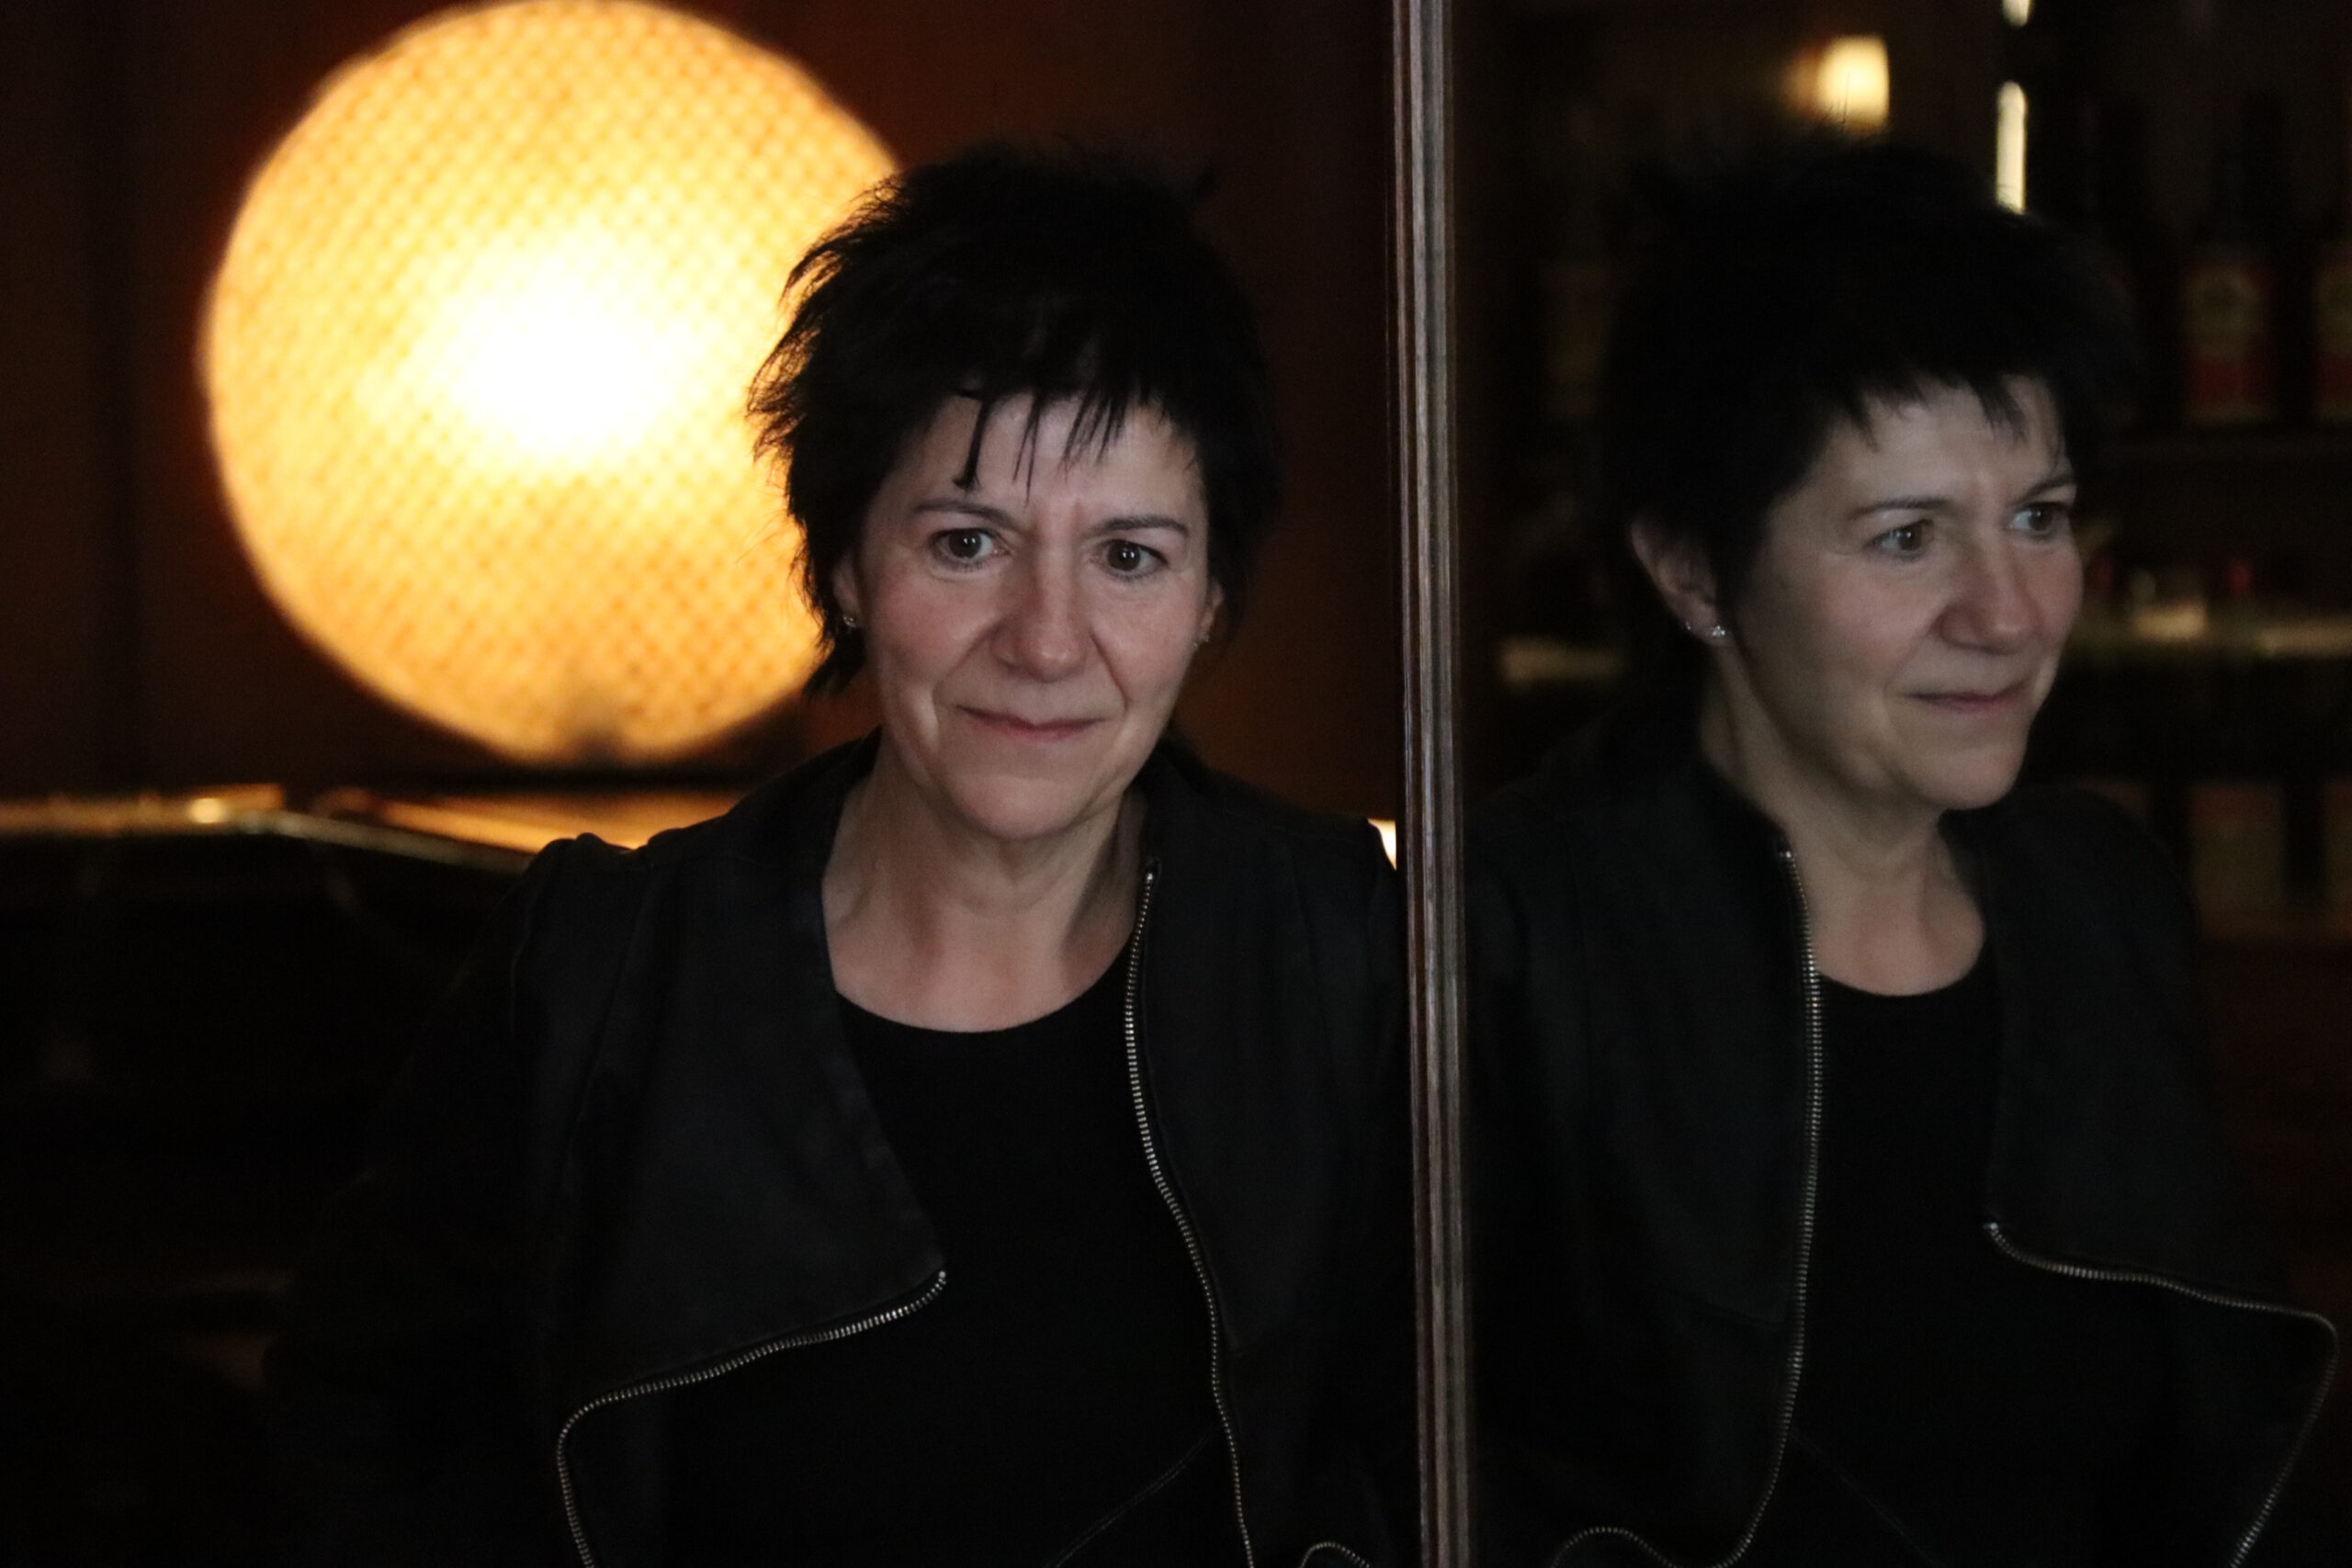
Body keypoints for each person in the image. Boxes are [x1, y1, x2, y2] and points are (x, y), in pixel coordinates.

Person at [268, 144, 1408, 1568]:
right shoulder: (604, 976)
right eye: (968, 542)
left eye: (1129, 557)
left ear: (1211, 598)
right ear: (850, 565)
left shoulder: (1342, 955)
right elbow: (362, 1433)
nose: (1048, 641)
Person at [1470, 137, 2339, 1566]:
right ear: (1690, 565)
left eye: (2038, 519)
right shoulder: (1508, 937)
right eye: (1904, 538)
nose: (2008, 613)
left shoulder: (2095, 898)